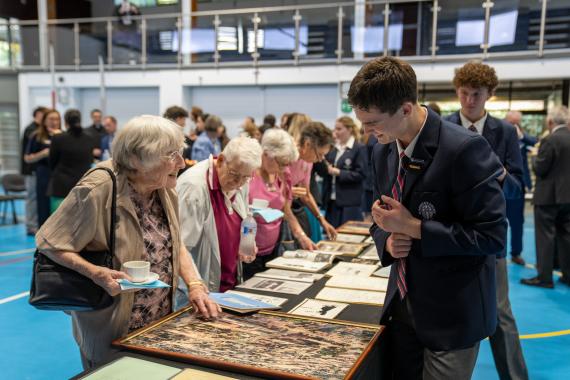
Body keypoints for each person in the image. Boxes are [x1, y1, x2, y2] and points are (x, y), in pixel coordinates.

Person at [348, 56, 506, 379]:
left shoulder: (465, 150)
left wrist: (415, 228)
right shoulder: (381, 149)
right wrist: (389, 240)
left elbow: (492, 236)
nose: (366, 131)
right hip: (401, 309)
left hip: (451, 315)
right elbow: (381, 218)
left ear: (406, 109)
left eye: (373, 122)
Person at [35, 115, 220, 369]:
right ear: (136, 159)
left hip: (156, 325)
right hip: (112, 329)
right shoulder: (99, 187)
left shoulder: (164, 186)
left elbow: (176, 245)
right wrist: (94, 272)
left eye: (179, 152)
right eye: (171, 155)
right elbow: (50, 243)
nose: (181, 162)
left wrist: (195, 285)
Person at [445, 60, 528, 380]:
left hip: (491, 238)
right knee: (447, 311)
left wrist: (500, 172)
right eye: (464, 93)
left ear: (490, 94)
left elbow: (518, 188)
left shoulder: (505, 133)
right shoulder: (440, 126)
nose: (469, 100)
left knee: (500, 314)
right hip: (449, 235)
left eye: (476, 94)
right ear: (457, 92)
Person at [177, 137, 263, 293]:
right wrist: (194, 287)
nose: (239, 183)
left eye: (246, 177)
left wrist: (245, 244)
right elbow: (181, 248)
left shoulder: (241, 181)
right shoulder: (194, 188)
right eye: (234, 174)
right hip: (197, 289)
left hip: (228, 283)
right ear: (222, 160)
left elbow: (242, 219)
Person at [521, 106, 570, 288]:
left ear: (550, 122)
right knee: (566, 236)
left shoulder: (549, 140)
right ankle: (567, 274)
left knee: (545, 237)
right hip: (568, 196)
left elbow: (540, 168)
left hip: (548, 196)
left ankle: (544, 277)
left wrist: (534, 157)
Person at [243, 129, 299, 279]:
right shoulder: (249, 174)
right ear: (266, 154)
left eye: (286, 164)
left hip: (275, 248)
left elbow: (287, 210)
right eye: (281, 163)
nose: (283, 168)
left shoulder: (283, 173)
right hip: (249, 250)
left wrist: (302, 235)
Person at [284, 121, 337, 250]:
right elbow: (279, 199)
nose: (320, 160)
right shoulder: (286, 158)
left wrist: (322, 221)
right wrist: (288, 192)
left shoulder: (307, 161)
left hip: (291, 211)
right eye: (319, 154)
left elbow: (306, 194)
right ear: (307, 144)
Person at [318, 116, 367, 228]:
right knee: (331, 235)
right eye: (335, 129)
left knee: (348, 235)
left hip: (349, 202)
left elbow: (361, 174)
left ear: (349, 129)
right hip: (331, 200)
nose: (336, 132)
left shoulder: (359, 148)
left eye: (339, 129)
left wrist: (339, 172)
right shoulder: (334, 148)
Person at [504, 110, 539, 266]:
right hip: (499, 184)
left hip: (517, 186)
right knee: (495, 221)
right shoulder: (499, 133)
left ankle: (516, 253)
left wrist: (521, 136)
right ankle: (498, 253)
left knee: (517, 222)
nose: (515, 125)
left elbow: (536, 142)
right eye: (512, 123)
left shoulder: (523, 137)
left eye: (517, 122)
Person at [47, 109, 97, 213]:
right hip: (82, 185)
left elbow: (52, 162)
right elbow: (90, 160)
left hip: (60, 186)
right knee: (80, 222)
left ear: (65, 122)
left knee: (58, 223)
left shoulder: (57, 138)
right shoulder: (90, 138)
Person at [24, 109, 62, 227]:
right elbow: (27, 158)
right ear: (44, 121)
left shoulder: (63, 136)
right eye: (51, 119)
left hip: (60, 175)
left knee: (59, 206)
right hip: (43, 174)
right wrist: (42, 153)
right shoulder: (36, 136)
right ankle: (43, 232)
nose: (54, 122)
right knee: (43, 205)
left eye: (56, 119)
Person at [21, 106, 47, 235]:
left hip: (40, 170)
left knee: (38, 198)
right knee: (31, 197)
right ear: (37, 115)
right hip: (30, 170)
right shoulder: (31, 130)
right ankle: (30, 225)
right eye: (44, 115)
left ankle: (37, 223)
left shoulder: (42, 130)